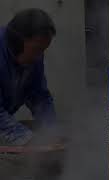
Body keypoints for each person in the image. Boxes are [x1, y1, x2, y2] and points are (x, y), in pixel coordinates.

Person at [0, 8, 58, 146]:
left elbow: (39, 96)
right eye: (37, 50)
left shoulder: (34, 57)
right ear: (17, 41)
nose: (39, 57)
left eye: (43, 50)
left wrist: (51, 131)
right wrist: (29, 140)